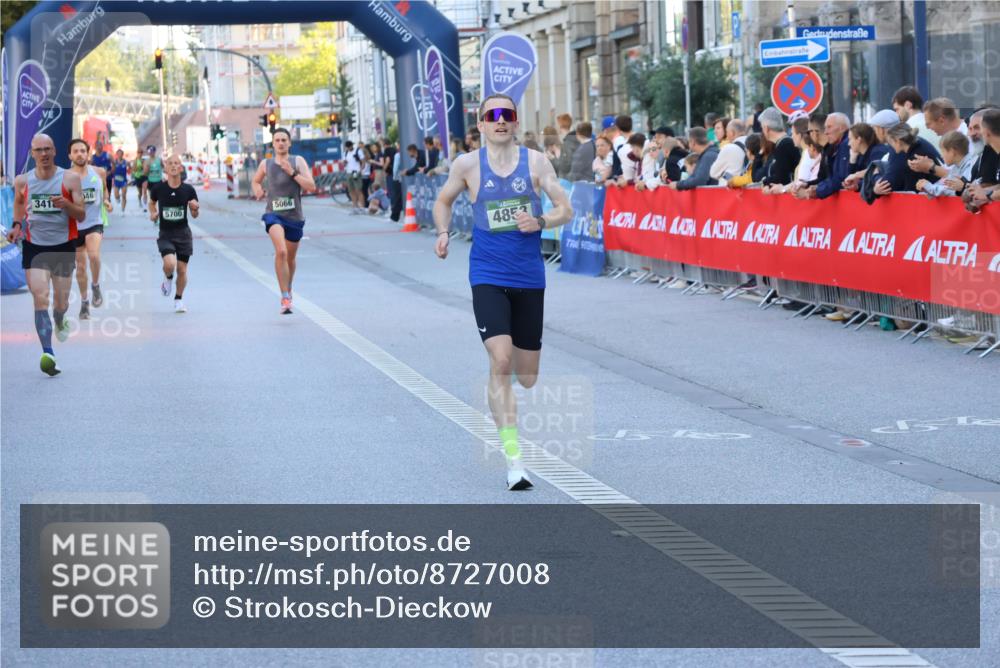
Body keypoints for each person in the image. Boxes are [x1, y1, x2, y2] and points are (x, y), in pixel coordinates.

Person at [431, 93, 573, 491]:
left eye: (506, 115)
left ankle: (507, 406)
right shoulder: (467, 165)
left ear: (514, 121)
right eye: (491, 115)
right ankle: (514, 459)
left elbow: (566, 209)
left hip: (529, 277)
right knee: (502, 359)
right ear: (480, 124)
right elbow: (443, 202)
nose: (500, 121)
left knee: (526, 376)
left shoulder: (536, 162)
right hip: (488, 275)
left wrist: (541, 219)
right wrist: (443, 233)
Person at [6, 133, 86, 376]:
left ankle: (60, 317)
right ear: (32, 153)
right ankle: (48, 353)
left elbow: (81, 215)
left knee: (59, 303)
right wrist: (17, 225)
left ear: (54, 152)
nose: (43, 154)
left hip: (63, 246)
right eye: (38, 150)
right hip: (35, 247)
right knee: (40, 296)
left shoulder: (70, 179)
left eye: (47, 149)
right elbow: (19, 203)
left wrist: (67, 205)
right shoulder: (23, 181)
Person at [251, 127, 318, 314]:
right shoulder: (266, 164)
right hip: (273, 214)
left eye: (284, 140)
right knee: (280, 251)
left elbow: (311, 186)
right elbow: (256, 181)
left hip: (294, 217)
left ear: (289, 143)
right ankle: (285, 296)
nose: (280, 143)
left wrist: (293, 173)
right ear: (273, 143)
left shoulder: (298, 161)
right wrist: (257, 189)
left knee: (290, 257)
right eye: (277, 140)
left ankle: (288, 288)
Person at [149, 154, 200, 313]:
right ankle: (168, 277)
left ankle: (178, 299)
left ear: (181, 167)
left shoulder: (188, 189)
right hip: (166, 233)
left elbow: (195, 215)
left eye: (176, 163)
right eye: (170, 163)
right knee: (170, 264)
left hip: (183, 234)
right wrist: (153, 213)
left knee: (182, 270)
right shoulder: (159, 188)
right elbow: (152, 202)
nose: (173, 166)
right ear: (165, 168)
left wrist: (194, 208)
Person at [68, 138, 112, 320]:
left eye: (82, 151)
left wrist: (107, 201)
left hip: (94, 221)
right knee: (80, 267)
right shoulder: (65, 176)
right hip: (75, 225)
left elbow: (104, 191)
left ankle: (95, 285)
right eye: (75, 151)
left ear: (88, 153)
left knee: (93, 255)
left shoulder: (99, 172)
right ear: (70, 155)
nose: (79, 154)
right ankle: (85, 302)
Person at [873, 123, 943, 195]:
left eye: (891, 142)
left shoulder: (909, 157)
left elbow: (887, 185)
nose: (890, 146)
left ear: (898, 141)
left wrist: (875, 176)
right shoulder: (919, 145)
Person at [796, 113, 851, 199]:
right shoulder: (832, 148)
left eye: (829, 127)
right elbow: (825, 178)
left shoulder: (845, 145)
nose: (825, 132)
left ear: (841, 128)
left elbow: (840, 178)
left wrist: (816, 191)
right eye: (825, 128)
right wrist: (808, 184)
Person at [917, 131, 976, 198]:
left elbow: (951, 192)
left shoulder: (970, 166)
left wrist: (928, 186)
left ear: (952, 151)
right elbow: (944, 187)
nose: (941, 156)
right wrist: (926, 189)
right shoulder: (955, 167)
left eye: (943, 151)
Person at [757, 107, 798, 192]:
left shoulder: (784, 145)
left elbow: (782, 177)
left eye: (762, 128)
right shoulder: (784, 143)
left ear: (766, 128)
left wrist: (764, 182)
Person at [841, 123, 890, 192]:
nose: (849, 143)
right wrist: (853, 160)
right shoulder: (860, 156)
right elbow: (850, 179)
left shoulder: (878, 152)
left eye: (850, 139)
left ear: (858, 139)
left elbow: (876, 172)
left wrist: (856, 175)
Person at [344, 140, 365, 214]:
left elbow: (363, 161)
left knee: (358, 190)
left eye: (349, 147)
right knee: (351, 190)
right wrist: (344, 163)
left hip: (356, 172)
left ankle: (362, 207)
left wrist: (361, 170)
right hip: (349, 172)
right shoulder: (345, 153)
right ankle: (355, 207)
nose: (349, 148)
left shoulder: (358, 151)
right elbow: (345, 162)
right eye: (347, 147)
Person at [112, 149, 130, 214]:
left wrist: (129, 177)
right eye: (118, 154)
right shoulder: (114, 162)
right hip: (116, 180)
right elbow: (112, 170)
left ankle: (123, 210)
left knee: (124, 195)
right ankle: (118, 198)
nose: (120, 155)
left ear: (122, 154)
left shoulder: (126, 162)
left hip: (123, 181)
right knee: (116, 195)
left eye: (121, 154)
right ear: (117, 154)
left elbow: (129, 170)